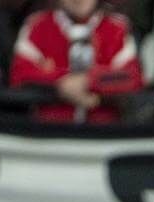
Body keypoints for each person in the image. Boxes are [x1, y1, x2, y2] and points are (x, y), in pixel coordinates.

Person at [10, 0, 144, 123]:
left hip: (104, 134)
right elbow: (19, 74)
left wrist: (89, 81)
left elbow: (133, 78)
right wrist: (61, 83)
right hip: (49, 133)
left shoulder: (117, 27)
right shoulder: (37, 25)